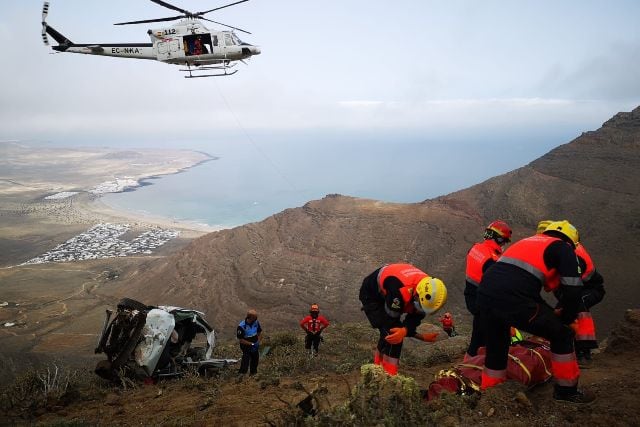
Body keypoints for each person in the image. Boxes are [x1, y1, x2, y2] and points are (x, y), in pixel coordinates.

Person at [477, 220, 596, 403]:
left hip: (485, 294)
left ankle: (491, 393)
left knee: (497, 345)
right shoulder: (564, 248)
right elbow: (573, 290)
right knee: (562, 334)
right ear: (571, 241)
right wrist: (566, 319)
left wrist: (548, 313)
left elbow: (519, 283)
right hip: (513, 297)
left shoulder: (528, 241)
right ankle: (566, 393)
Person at [537, 220, 606, 368]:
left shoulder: (572, 253)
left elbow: (572, 284)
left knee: (577, 306)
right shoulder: (559, 247)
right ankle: (564, 349)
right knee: (561, 314)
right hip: (568, 289)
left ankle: (584, 353)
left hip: (590, 289)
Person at [359, 263, 447, 375]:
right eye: (419, 305)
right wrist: (413, 334)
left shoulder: (427, 288)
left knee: (391, 334)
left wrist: (406, 330)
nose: (420, 309)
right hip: (372, 295)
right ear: (417, 294)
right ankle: (388, 375)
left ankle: (377, 368)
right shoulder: (399, 290)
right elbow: (392, 323)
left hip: (393, 289)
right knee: (391, 335)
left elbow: (416, 316)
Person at [464, 220, 512, 358]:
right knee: (484, 338)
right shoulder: (492, 259)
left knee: (478, 334)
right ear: (498, 238)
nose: (504, 245)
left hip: (472, 296)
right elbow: (498, 285)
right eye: (504, 241)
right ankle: (474, 366)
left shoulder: (475, 248)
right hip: (484, 301)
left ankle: (470, 363)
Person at [237, 309, 262, 376]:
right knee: (246, 359)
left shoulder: (256, 322)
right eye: (255, 317)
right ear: (250, 317)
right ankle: (242, 374)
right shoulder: (241, 326)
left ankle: (253, 373)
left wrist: (258, 341)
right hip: (245, 345)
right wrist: (251, 344)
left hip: (255, 343)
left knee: (255, 358)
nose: (256, 318)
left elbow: (259, 332)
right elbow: (241, 340)